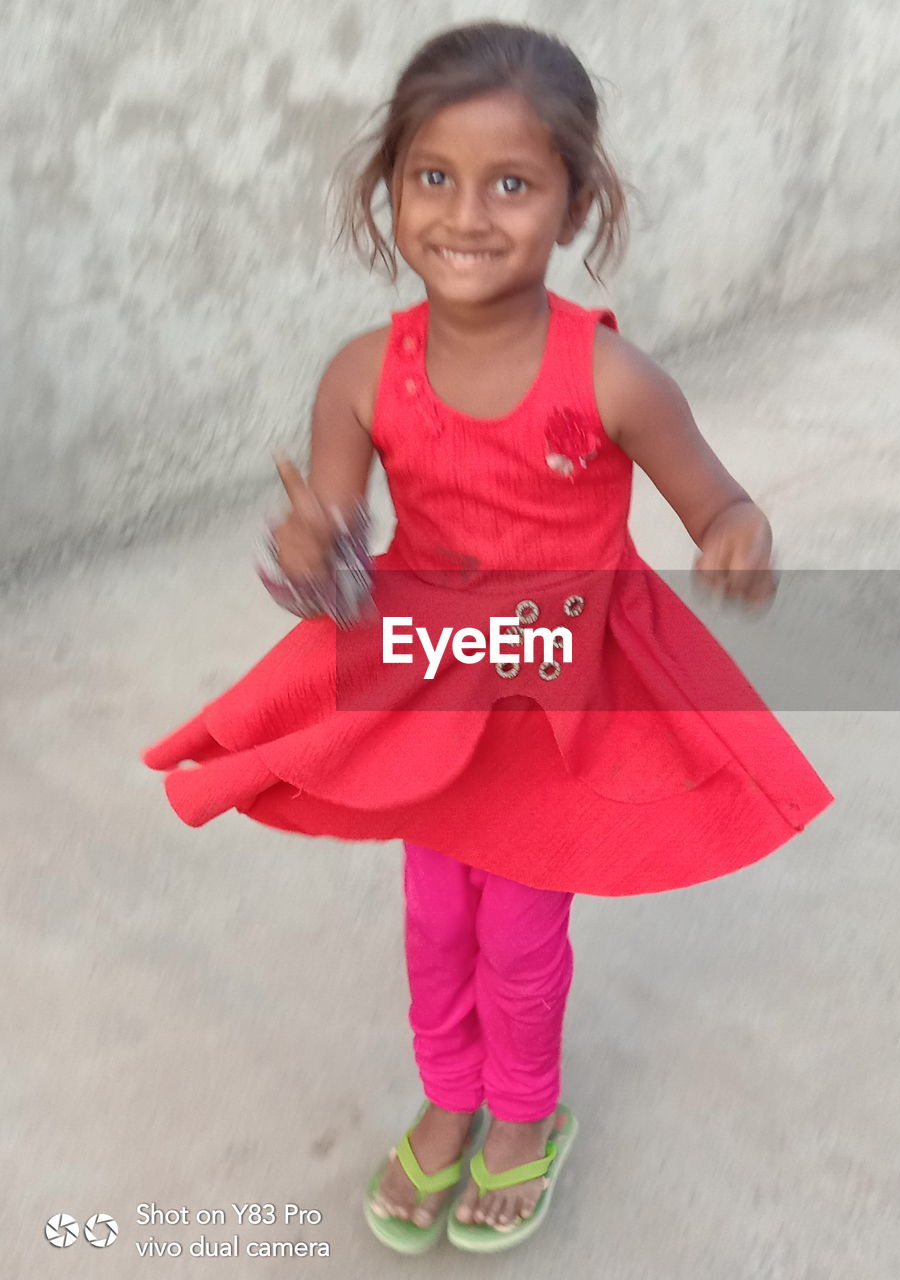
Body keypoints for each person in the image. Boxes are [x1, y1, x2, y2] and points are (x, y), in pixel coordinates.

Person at [142, 20, 833, 1256]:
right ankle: (449, 1095)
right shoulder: (363, 371)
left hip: (558, 689)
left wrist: (737, 534)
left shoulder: (613, 378)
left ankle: (522, 1115)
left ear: (575, 205)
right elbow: (339, 530)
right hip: (432, 681)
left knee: (518, 926)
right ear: (390, 191)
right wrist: (317, 552)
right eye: (433, 178)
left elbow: (712, 499)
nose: (468, 213)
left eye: (513, 182)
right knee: (433, 916)